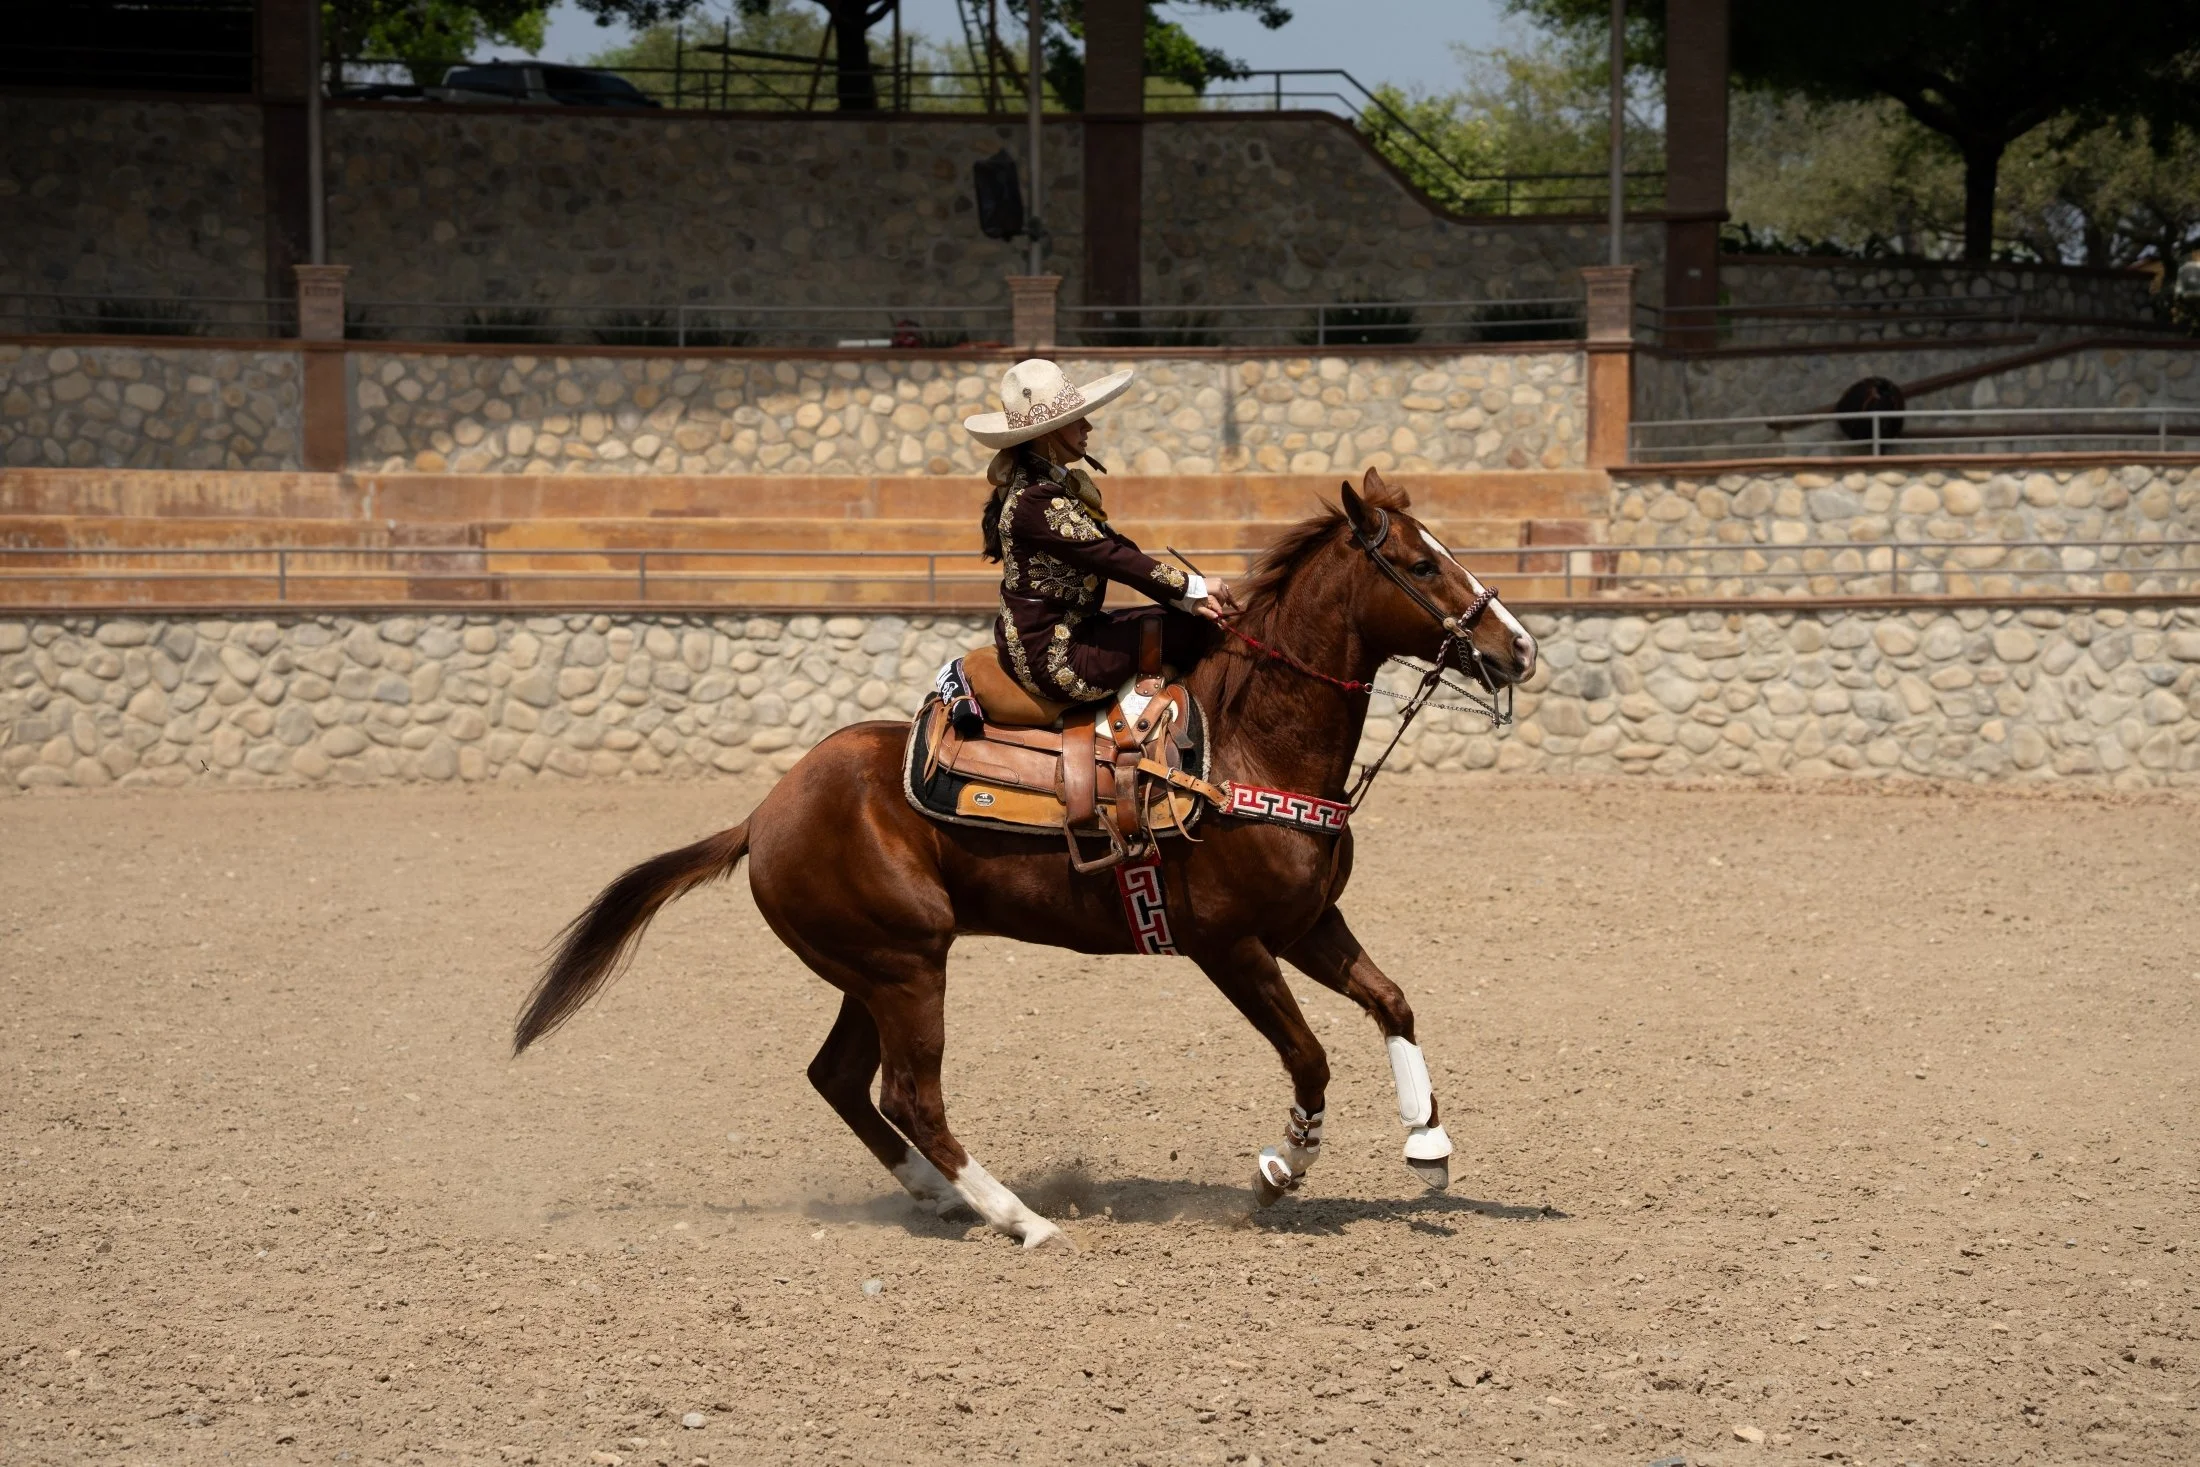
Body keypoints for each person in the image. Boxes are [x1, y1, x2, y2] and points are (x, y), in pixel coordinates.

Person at [964, 359, 1234, 705]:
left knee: (1182, 619)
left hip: (1075, 629)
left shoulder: (1047, 485)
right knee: (1194, 632)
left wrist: (1187, 598)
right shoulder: (1036, 499)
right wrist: (1192, 586)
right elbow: (1109, 557)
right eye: (1075, 420)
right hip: (1054, 655)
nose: (1087, 426)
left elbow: (1116, 547)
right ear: (1047, 434)